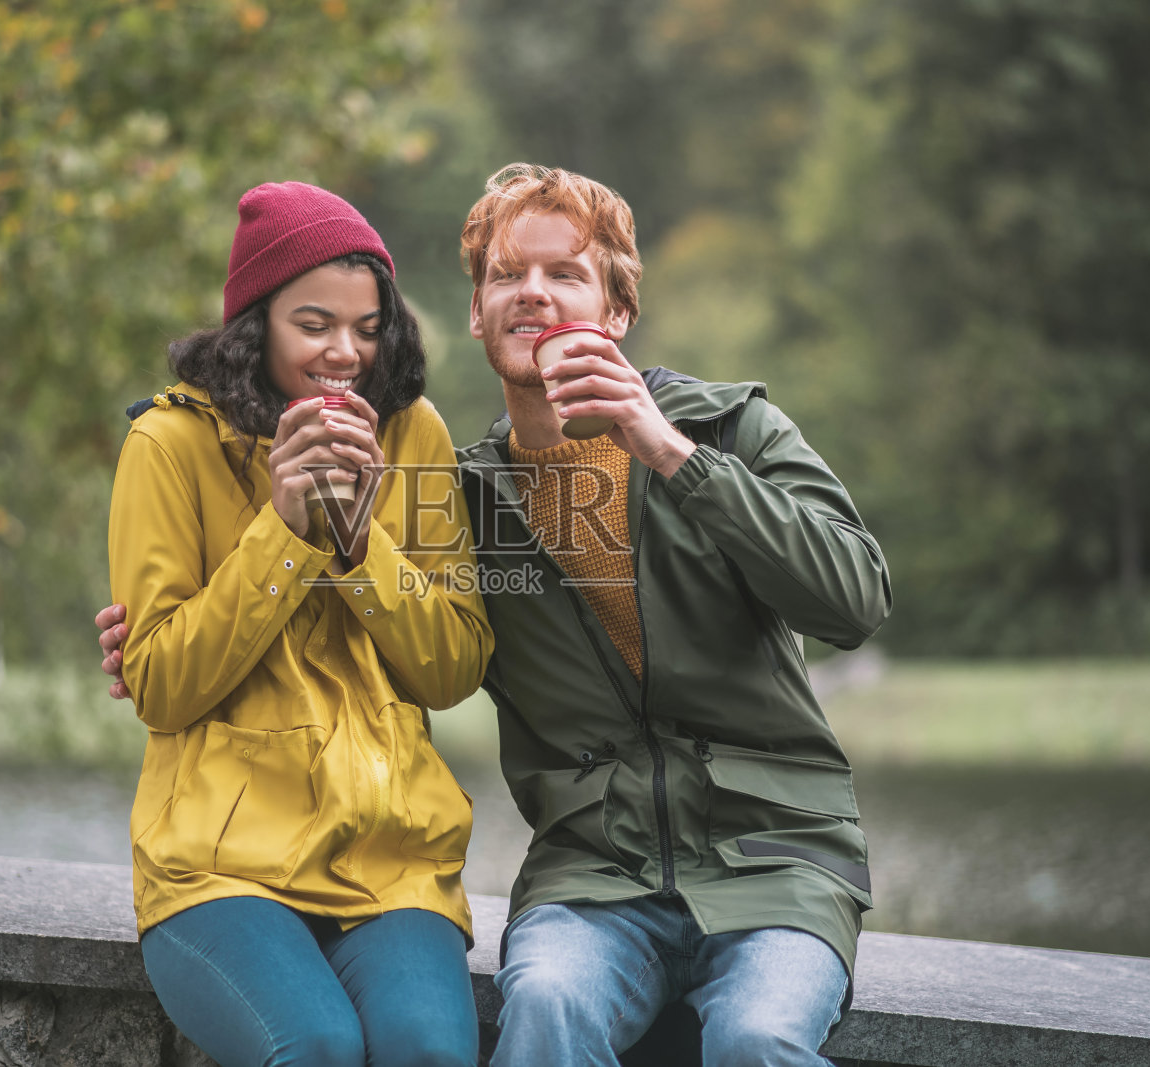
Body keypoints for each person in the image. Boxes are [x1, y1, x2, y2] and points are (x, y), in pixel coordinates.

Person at [99, 164, 892, 1067]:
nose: (534, 293)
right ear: (476, 312)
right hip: (595, 872)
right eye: (508, 274)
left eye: (566, 273)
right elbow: (202, 662)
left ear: (618, 309)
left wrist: (669, 451)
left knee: (756, 1037)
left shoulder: (728, 431)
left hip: (776, 858)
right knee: (544, 1006)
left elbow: (855, 600)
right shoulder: (470, 491)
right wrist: (238, 581)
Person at [105, 180, 492, 1067]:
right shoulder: (167, 445)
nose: (346, 352)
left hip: (391, 860)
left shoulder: (414, 433)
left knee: (429, 1052)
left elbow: (454, 668)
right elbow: (160, 685)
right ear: (256, 324)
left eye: (367, 327)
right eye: (314, 324)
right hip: (218, 864)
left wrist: (359, 546)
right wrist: (284, 530)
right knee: (315, 1046)